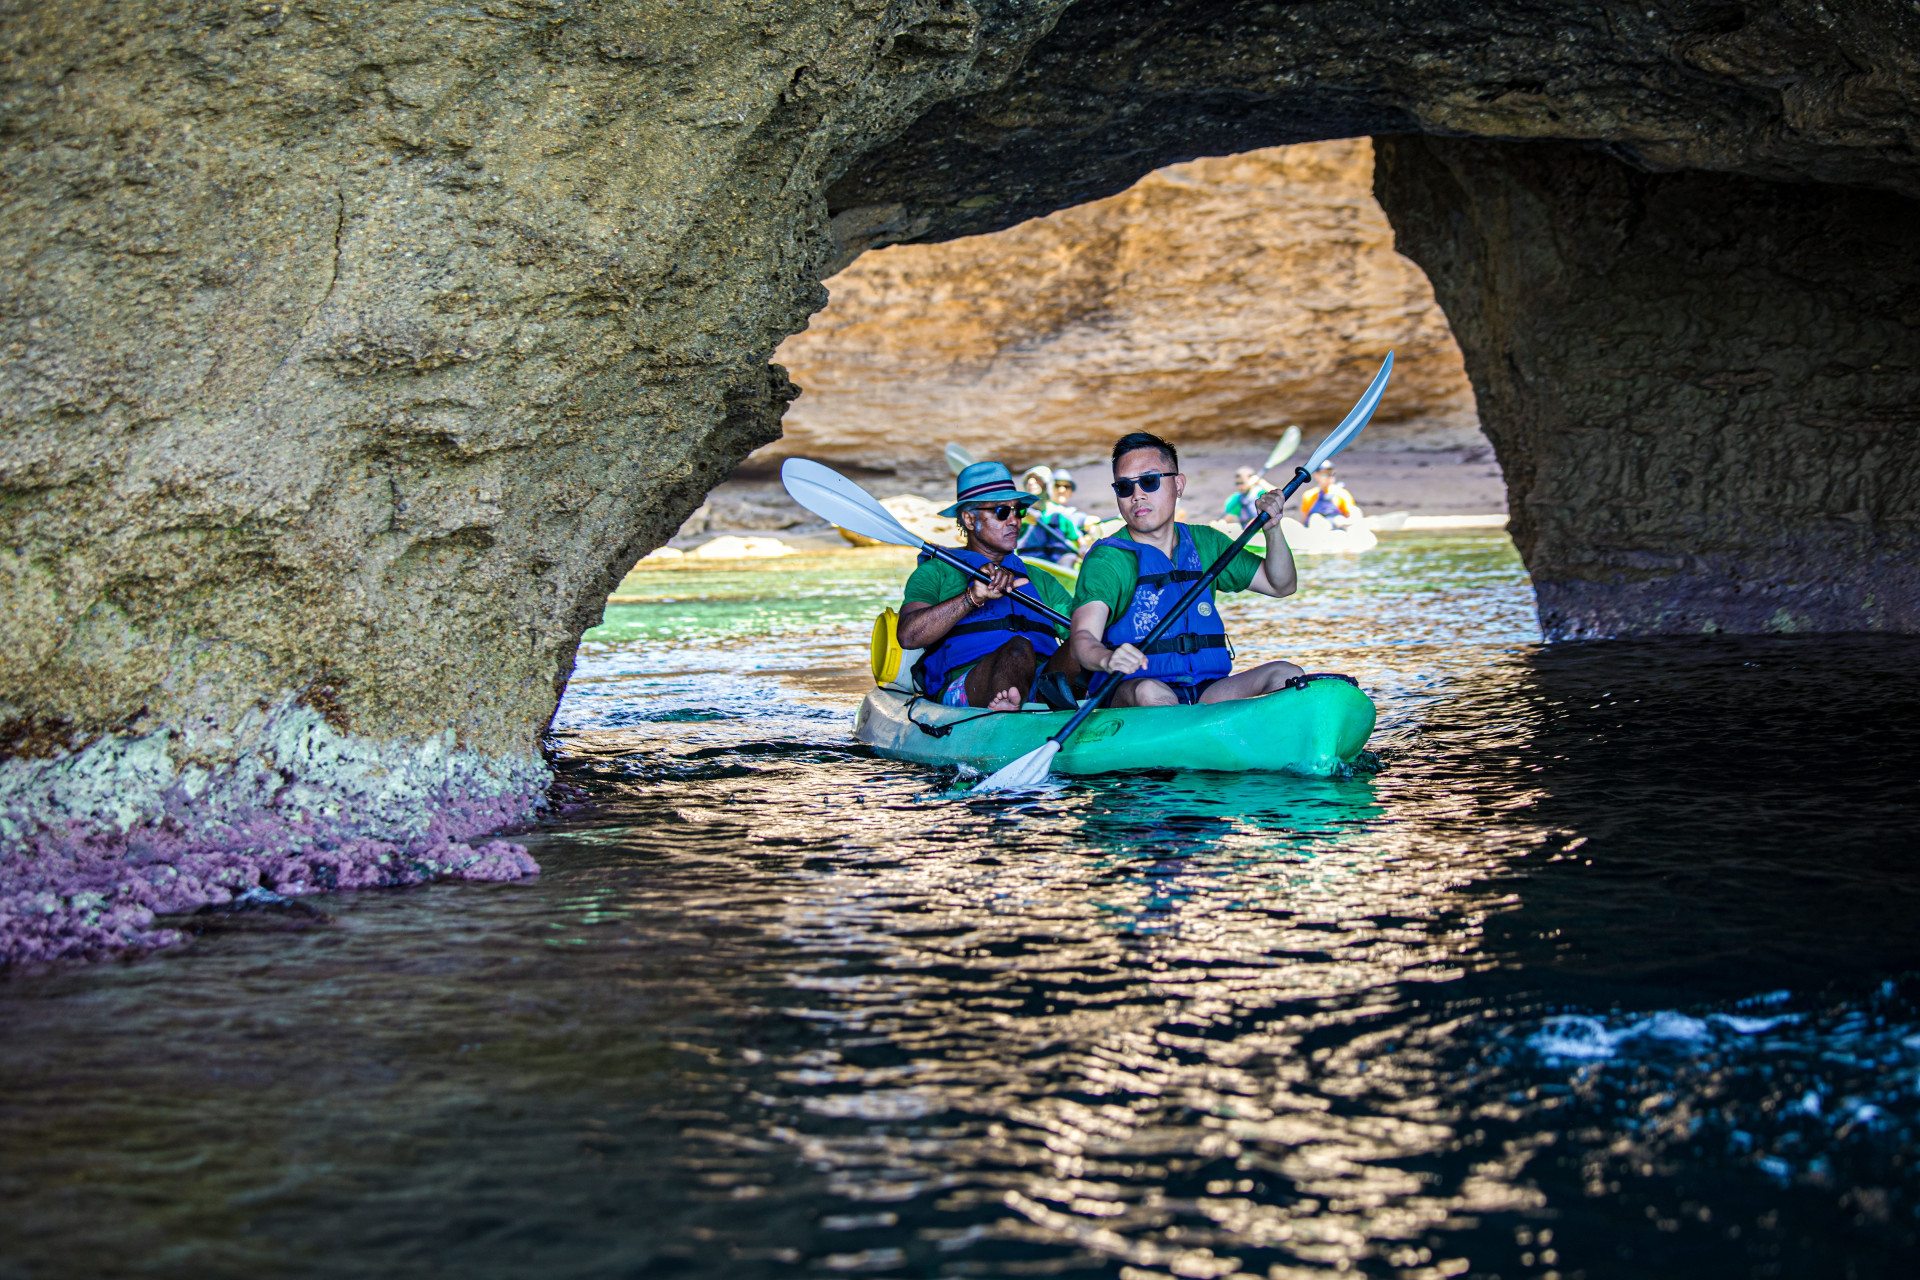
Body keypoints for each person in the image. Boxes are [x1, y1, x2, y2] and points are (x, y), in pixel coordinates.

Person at [1069, 432, 1303, 708]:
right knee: (1151, 692)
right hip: (1134, 692)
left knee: (1287, 675)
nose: (1137, 495)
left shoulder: (1207, 542)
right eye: (1124, 487)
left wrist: (1272, 529)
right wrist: (1106, 658)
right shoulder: (1108, 558)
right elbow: (1082, 638)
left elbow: (1281, 585)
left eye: (1149, 481)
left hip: (1207, 691)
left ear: (1178, 485)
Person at [899, 462, 1080, 712]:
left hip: (1044, 685)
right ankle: (1010, 707)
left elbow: (1081, 632)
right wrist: (971, 597)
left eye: (1019, 511)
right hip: (970, 684)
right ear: (969, 519)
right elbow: (908, 636)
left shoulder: (1040, 579)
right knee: (1018, 649)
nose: (1014, 521)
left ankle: (1037, 705)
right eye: (1002, 512)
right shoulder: (936, 572)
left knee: (1084, 642)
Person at [1297, 461, 1363, 528]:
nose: (1329, 477)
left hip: (1334, 532)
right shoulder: (1309, 495)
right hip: (1315, 530)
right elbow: (1303, 520)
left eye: (1331, 474)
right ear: (1316, 475)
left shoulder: (1342, 494)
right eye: (1325, 474)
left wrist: (1342, 521)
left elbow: (1354, 518)